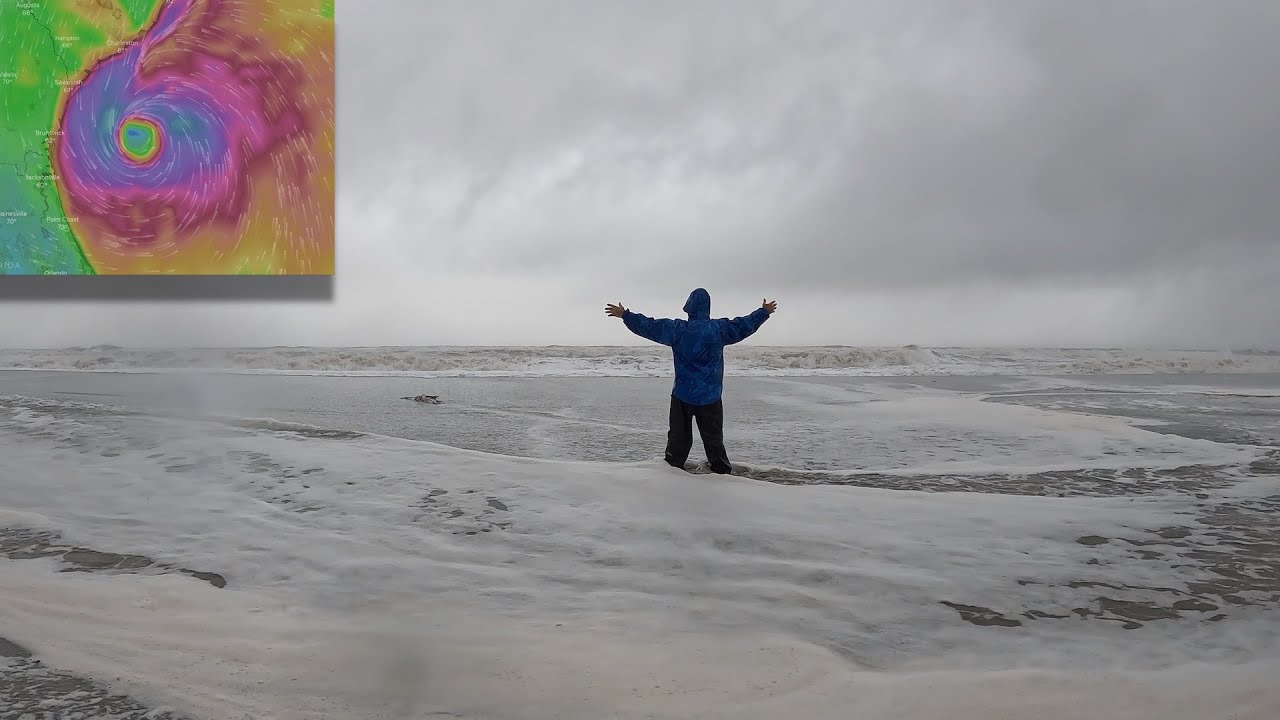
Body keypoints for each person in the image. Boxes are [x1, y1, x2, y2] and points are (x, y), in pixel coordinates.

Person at [606, 288, 777, 474]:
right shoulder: (720, 329)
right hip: (710, 395)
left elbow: (650, 326)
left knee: (678, 439)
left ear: (689, 306)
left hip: (682, 394)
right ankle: (721, 473)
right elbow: (745, 324)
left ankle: (672, 471)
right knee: (713, 441)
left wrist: (625, 315)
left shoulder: (678, 330)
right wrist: (764, 312)